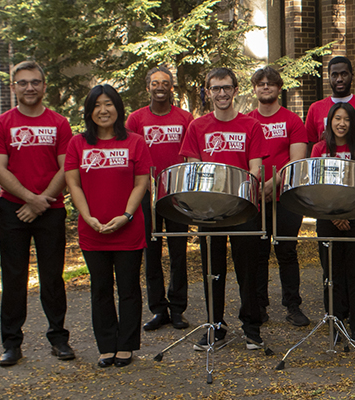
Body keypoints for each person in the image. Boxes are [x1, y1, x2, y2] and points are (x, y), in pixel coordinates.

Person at [0, 60, 75, 366]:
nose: (29, 88)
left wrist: (43, 200)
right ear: (13, 87)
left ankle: (59, 338)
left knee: (52, 277)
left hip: (51, 208)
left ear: (44, 86)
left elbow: (67, 167)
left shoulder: (60, 123)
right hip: (14, 209)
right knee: (14, 277)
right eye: (23, 83)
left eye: (35, 82)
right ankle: (12, 343)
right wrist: (28, 199)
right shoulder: (2, 124)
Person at [64, 84, 153, 368]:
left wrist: (126, 215)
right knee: (100, 289)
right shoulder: (78, 144)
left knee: (128, 288)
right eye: (97, 105)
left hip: (128, 227)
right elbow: (73, 183)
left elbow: (142, 182)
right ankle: (106, 346)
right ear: (89, 111)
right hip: (93, 229)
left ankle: (126, 345)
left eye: (109, 104)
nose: (103, 110)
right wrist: (87, 216)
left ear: (118, 108)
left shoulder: (136, 142)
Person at [178, 67, 267, 351]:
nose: (222, 93)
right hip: (210, 211)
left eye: (226, 87)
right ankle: (216, 327)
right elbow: (192, 168)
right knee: (212, 271)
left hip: (242, 209)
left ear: (235, 90)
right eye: (215, 88)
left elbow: (256, 168)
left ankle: (251, 327)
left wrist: (243, 191)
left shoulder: (250, 126)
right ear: (208, 92)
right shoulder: (197, 127)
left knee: (248, 270)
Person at [126, 66, 193, 331]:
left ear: (172, 88)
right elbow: (130, 155)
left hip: (176, 195)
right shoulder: (135, 119)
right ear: (148, 88)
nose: (160, 87)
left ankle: (178, 309)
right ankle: (158, 309)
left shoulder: (185, 118)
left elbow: (190, 156)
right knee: (151, 253)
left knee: (178, 253)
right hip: (145, 194)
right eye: (155, 83)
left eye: (165, 83)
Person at [246, 66, 309, 327]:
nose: (265, 87)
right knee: (258, 253)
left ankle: (293, 306)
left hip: (286, 198)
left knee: (287, 251)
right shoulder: (247, 121)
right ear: (254, 89)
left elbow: (297, 160)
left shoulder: (292, 121)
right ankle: (259, 307)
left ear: (279, 88)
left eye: (270, 83)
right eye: (260, 83)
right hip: (255, 197)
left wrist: (273, 183)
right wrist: (259, 188)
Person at [311, 102, 355, 344]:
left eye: (346, 119)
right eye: (337, 118)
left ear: (353, 124)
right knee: (332, 273)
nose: (341, 123)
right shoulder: (319, 149)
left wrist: (348, 215)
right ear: (329, 122)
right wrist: (334, 215)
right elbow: (315, 187)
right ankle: (335, 323)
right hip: (327, 219)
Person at [304, 56, 355, 169]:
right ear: (329, 77)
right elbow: (309, 149)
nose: (339, 79)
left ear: (351, 76)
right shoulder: (315, 108)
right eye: (334, 75)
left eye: (344, 74)